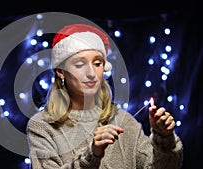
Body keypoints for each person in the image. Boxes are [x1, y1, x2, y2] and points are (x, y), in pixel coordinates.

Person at [26, 23, 183, 168]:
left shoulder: (125, 122)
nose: (91, 73)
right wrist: (92, 154)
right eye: (80, 64)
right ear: (61, 72)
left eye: (97, 63)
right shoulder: (42, 127)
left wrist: (164, 139)